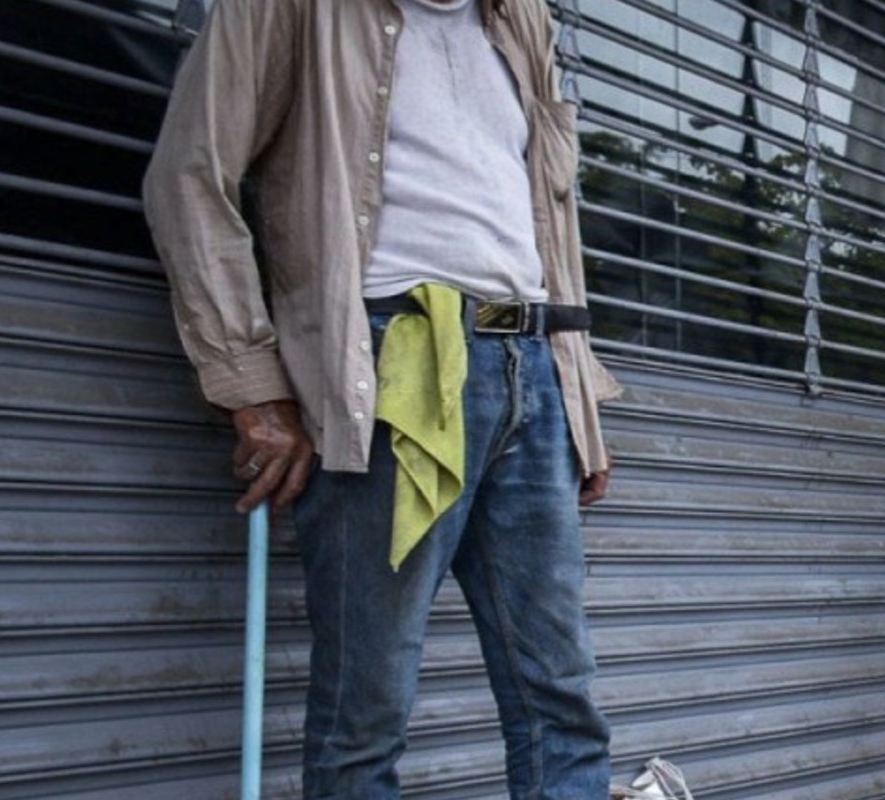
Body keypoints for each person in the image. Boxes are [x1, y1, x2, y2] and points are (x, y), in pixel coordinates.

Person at [142, 1, 623, 794]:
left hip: (534, 363)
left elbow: (546, 218)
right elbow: (190, 176)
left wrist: (578, 401)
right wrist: (253, 383)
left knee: (562, 701)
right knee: (365, 715)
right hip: (390, 363)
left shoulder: (520, 17)